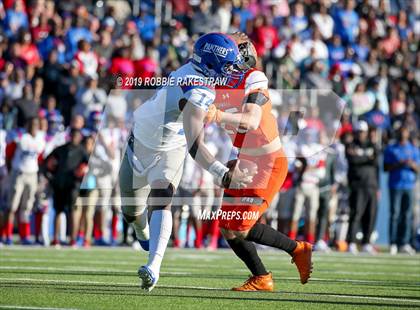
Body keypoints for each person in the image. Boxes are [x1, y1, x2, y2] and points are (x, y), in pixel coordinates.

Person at [119, 33, 254, 292]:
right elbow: (196, 145)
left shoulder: (200, 75)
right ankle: (142, 231)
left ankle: (153, 267)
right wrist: (223, 174)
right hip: (140, 145)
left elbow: (188, 143)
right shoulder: (198, 88)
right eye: (226, 65)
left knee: (162, 197)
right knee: (132, 214)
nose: (231, 71)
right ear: (211, 63)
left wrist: (234, 43)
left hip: (170, 146)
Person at [204, 33, 312, 291]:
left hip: (267, 162)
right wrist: (233, 159)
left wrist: (216, 115)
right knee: (227, 226)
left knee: (241, 227)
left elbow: (251, 121)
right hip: (245, 159)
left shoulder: (254, 76)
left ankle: (298, 249)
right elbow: (237, 132)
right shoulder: (217, 84)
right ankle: (262, 277)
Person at [44, 128, 88, 247]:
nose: (74, 138)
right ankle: (56, 239)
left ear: (80, 138)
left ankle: (73, 239)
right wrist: (50, 177)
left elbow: (90, 166)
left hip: (73, 185)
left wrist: (82, 173)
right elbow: (46, 163)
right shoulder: (60, 149)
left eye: (77, 136)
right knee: (58, 211)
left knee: (73, 211)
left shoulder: (82, 151)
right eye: (73, 135)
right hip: (59, 184)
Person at [4, 118, 45, 244]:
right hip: (19, 173)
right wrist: (11, 170)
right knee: (12, 206)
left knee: (27, 207)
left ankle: (25, 235)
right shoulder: (21, 137)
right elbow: (8, 153)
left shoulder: (40, 139)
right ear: (28, 125)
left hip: (32, 174)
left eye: (36, 125)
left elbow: (40, 157)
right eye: (32, 124)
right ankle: (7, 235)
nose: (34, 127)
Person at [345, 121, 379, 255]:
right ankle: (352, 242)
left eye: (363, 131)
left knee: (370, 215)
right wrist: (367, 158)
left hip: (371, 185)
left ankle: (366, 243)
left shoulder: (372, 145)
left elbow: (375, 161)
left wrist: (361, 157)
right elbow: (353, 161)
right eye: (359, 131)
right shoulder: (351, 145)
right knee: (356, 214)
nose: (361, 134)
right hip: (357, 185)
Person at [384, 126, 419, 255]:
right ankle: (393, 242)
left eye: (405, 132)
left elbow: (418, 168)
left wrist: (411, 164)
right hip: (395, 185)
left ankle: (404, 243)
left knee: (407, 215)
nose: (403, 134)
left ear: (408, 133)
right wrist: (399, 164)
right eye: (401, 132)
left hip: (409, 185)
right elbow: (386, 167)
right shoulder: (391, 148)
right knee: (394, 214)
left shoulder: (413, 149)